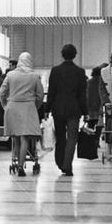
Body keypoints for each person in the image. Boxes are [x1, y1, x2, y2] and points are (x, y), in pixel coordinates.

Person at [0, 53, 44, 176]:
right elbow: (40, 95)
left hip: (12, 107)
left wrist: (5, 105)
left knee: (15, 138)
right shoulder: (35, 76)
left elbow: (1, 92)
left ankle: (16, 161)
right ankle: (21, 166)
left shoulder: (10, 75)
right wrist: (36, 106)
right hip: (28, 108)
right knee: (25, 138)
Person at [46, 44, 87, 177]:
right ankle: (67, 164)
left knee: (60, 137)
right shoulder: (80, 72)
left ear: (62, 54)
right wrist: (86, 112)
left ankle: (59, 161)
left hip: (58, 108)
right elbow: (82, 94)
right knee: (72, 137)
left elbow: (51, 91)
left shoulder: (55, 70)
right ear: (75, 55)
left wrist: (47, 109)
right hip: (74, 109)